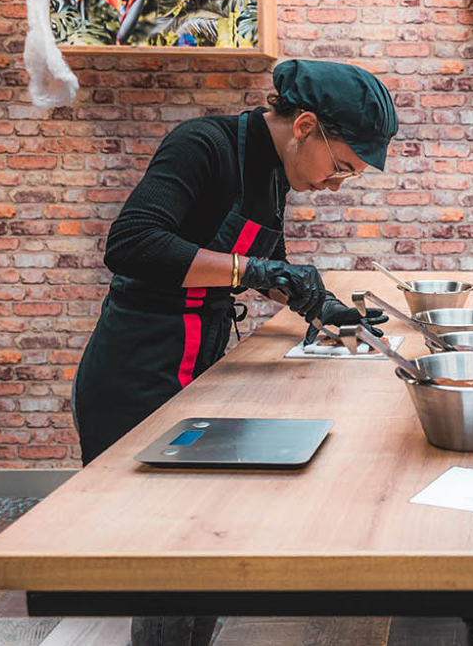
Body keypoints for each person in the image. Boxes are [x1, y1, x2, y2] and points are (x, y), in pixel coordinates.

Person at [71, 59, 398, 646]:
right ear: (305, 127)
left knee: (200, 545)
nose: (334, 184)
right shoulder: (203, 145)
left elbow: (241, 265)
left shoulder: (272, 172)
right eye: (341, 167)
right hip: (138, 373)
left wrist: (312, 302)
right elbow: (132, 243)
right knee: (167, 560)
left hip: (199, 365)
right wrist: (258, 269)